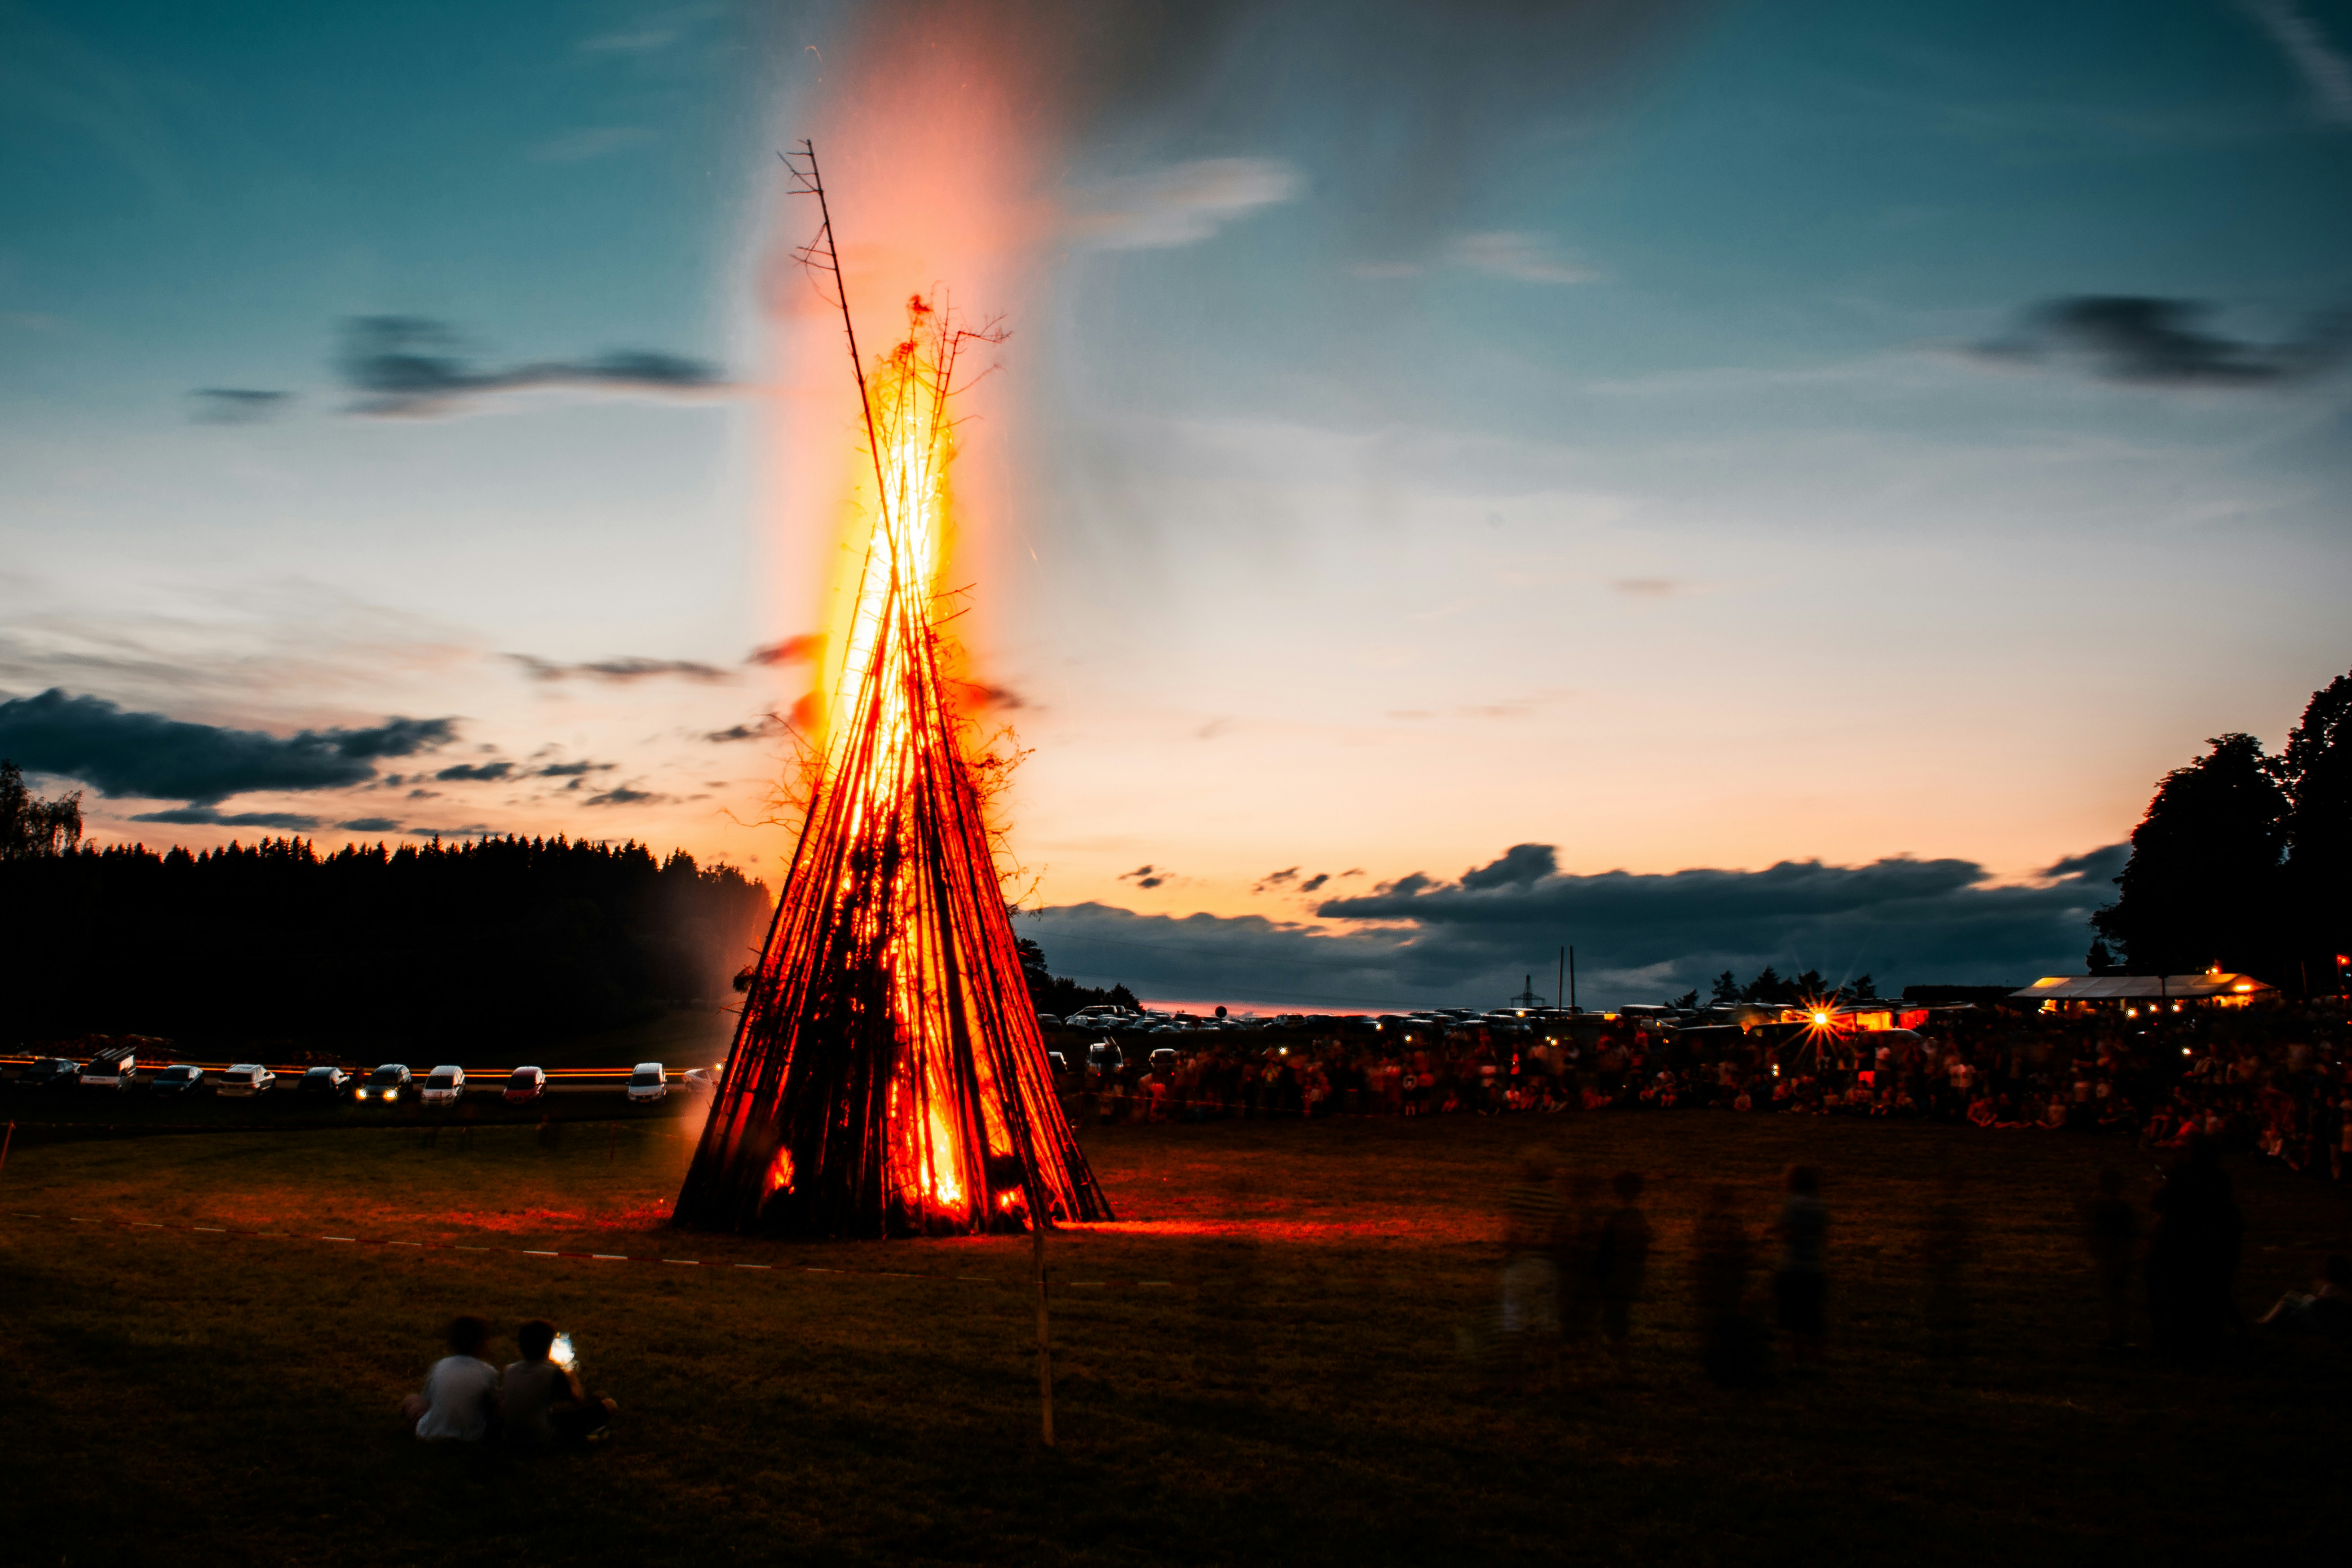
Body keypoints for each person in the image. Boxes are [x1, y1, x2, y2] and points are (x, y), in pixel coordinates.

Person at [501, 1320, 618, 1448]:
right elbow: (579, 1398)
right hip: (541, 1439)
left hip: (510, 1437)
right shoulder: (551, 1372)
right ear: (549, 1347)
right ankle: (586, 1437)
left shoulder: (510, 1370)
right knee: (609, 1405)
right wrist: (569, 1369)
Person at [401, 1316, 500, 1441]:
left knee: (412, 1400)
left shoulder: (440, 1365)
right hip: (472, 1436)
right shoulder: (488, 1372)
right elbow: (491, 1405)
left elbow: (428, 1400)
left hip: (431, 1433)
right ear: (480, 1344)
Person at [1595, 1170, 1652, 1375]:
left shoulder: (1615, 1220)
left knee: (1614, 1325)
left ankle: (1623, 1370)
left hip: (1614, 1279)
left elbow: (1604, 1252)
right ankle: (1622, 1368)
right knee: (1620, 1322)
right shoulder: (1639, 1220)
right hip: (1630, 1278)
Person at [1774, 1165, 1828, 1370]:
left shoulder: (1794, 1202)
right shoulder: (1820, 1204)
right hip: (1815, 1268)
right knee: (1814, 1320)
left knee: (1793, 1321)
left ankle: (1797, 1363)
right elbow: (1823, 1235)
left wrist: (1775, 1232)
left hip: (1793, 1268)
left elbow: (1788, 1231)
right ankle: (1818, 1363)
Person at [2084, 1167, 2140, 1350]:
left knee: (2112, 1298)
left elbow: (2093, 1231)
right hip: (2121, 1256)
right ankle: (2120, 1332)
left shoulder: (2102, 1206)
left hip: (2110, 1257)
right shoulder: (2122, 1207)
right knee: (2119, 1298)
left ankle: (2116, 1333)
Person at [2256, 1254, 2352, 1340]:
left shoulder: (2331, 1288)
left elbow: (2317, 1305)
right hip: (2326, 1321)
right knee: (2297, 1297)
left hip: (2323, 1325)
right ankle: (2268, 1319)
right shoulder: (2344, 1288)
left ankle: (2265, 1322)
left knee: (2289, 1302)